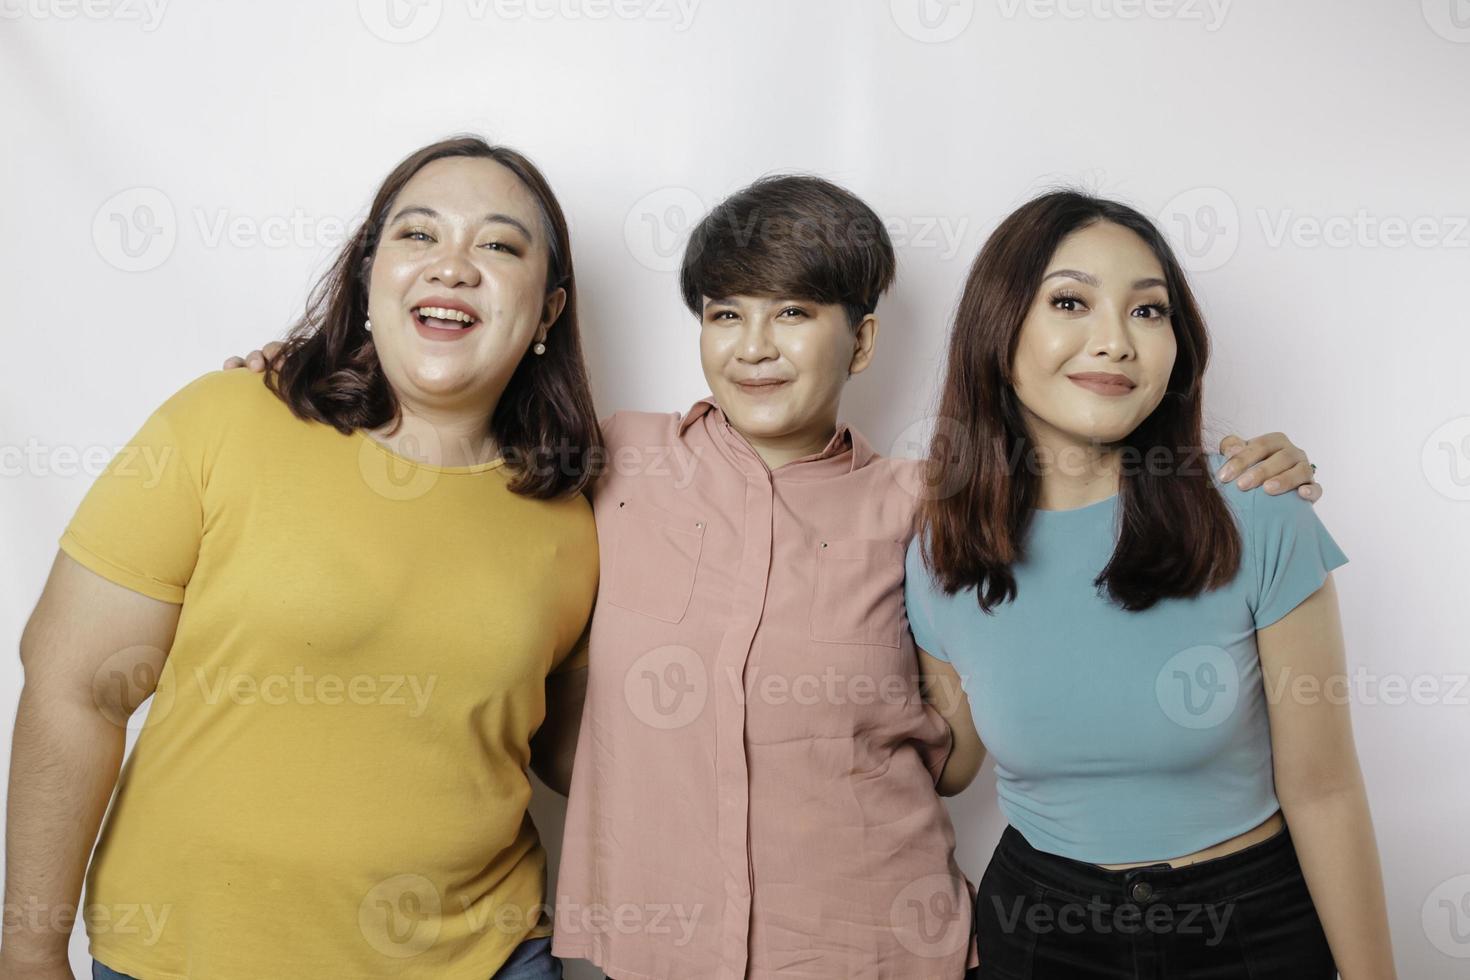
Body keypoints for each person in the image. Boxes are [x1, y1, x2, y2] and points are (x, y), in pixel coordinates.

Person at [221, 176, 1322, 979]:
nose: (755, 344)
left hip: (881, 951)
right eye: (724, 314)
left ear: (864, 339)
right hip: (641, 955)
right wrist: (303, 384)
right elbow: (438, 429)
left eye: (794, 311)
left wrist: (1234, 467)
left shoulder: (929, 501)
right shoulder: (608, 457)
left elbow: (1068, 526)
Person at [0, 136, 600, 980]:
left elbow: (587, 757)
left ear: (546, 312)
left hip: (489, 959)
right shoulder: (227, 420)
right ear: (365, 279)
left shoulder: (576, 518)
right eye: (418, 235)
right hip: (189, 960)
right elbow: (74, 687)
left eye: (500, 245)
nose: (454, 266)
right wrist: (27, 950)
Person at [905, 191, 1394, 978]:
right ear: (999, 330)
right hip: (1038, 928)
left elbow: (1325, 789)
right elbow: (948, 761)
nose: (1116, 342)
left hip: (1248, 926)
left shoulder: (1260, 517)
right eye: (1070, 301)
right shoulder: (939, 552)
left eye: (1149, 312)